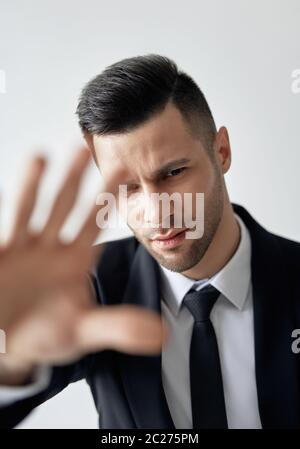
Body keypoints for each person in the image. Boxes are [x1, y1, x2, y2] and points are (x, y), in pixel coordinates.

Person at [0, 54, 300, 429]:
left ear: (221, 151)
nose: (157, 214)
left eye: (173, 173)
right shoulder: (87, 285)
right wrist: (12, 361)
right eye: (126, 187)